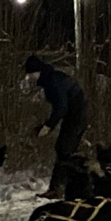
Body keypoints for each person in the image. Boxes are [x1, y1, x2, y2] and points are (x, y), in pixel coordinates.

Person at [23, 55, 89, 199]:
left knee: (64, 150)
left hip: (76, 116)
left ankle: (62, 187)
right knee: (65, 150)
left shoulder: (52, 82)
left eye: (30, 74)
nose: (30, 78)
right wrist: (48, 125)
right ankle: (66, 185)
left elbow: (61, 107)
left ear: (37, 71)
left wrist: (48, 126)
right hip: (78, 115)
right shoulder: (52, 78)